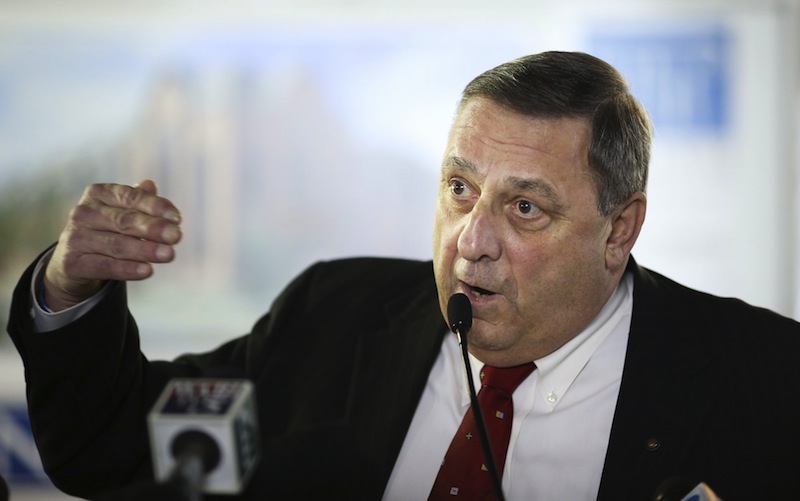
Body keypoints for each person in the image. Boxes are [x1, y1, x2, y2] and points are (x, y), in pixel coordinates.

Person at [6, 51, 800, 501]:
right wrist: (70, 291)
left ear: (619, 229)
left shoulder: (765, 379)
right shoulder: (334, 315)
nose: (471, 241)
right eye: (460, 190)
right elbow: (110, 448)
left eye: (524, 208)